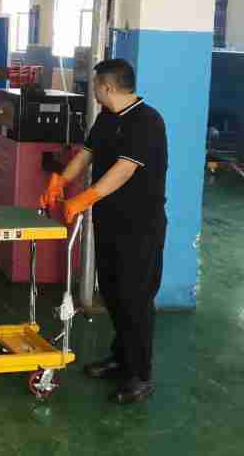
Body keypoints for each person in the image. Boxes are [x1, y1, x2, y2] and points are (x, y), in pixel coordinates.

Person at [40, 58, 168, 405]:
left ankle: (140, 375)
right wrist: (60, 181)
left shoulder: (147, 121)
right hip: (109, 221)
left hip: (140, 226)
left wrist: (82, 199)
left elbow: (124, 170)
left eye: (96, 84)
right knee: (112, 292)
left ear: (107, 87)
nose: (93, 89)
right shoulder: (107, 117)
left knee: (135, 298)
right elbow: (86, 154)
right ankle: (120, 359)